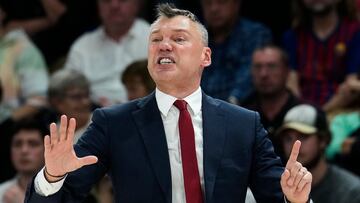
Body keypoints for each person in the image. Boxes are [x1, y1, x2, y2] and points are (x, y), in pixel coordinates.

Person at [25, 4, 312, 203]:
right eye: (156, 39)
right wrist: (52, 175)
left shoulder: (243, 124)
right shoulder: (112, 123)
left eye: (179, 39)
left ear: (206, 57)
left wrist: (295, 198)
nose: (164, 45)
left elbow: (278, 195)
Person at [64, 0, 150, 107]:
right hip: (93, 115)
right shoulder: (82, 46)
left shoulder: (158, 40)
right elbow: (67, 90)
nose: (114, 5)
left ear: (137, 3)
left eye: (122, 0)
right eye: (106, 0)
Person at [283, 0, 360, 108]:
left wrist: (322, 114)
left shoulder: (355, 32)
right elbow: (291, 81)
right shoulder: (293, 35)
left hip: (341, 109)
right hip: (301, 109)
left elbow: (351, 84)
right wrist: (301, 110)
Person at [277, 104, 360, 203]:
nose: (295, 144)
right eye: (288, 138)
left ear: (323, 141)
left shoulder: (351, 191)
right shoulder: (275, 186)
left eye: (303, 136)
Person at [200, 0, 272, 104]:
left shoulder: (254, 33)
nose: (214, 9)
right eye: (208, 3)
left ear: (236, 4)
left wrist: (228, 107)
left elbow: (248, 75)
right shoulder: (196, 36)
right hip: (200, 108)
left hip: (241, 107)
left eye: (221, 2)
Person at [242, 45, 302, 161]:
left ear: (287, 71)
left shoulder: (301, 111)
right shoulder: (242, 113)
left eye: (272, 66)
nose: (264, 74)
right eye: (258, 67)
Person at [0, 118, 48, 203]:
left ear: (47, 150)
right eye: (17, 144)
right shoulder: (2, 191)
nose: (24, 150)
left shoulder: (66, 191)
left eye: (33, 144)